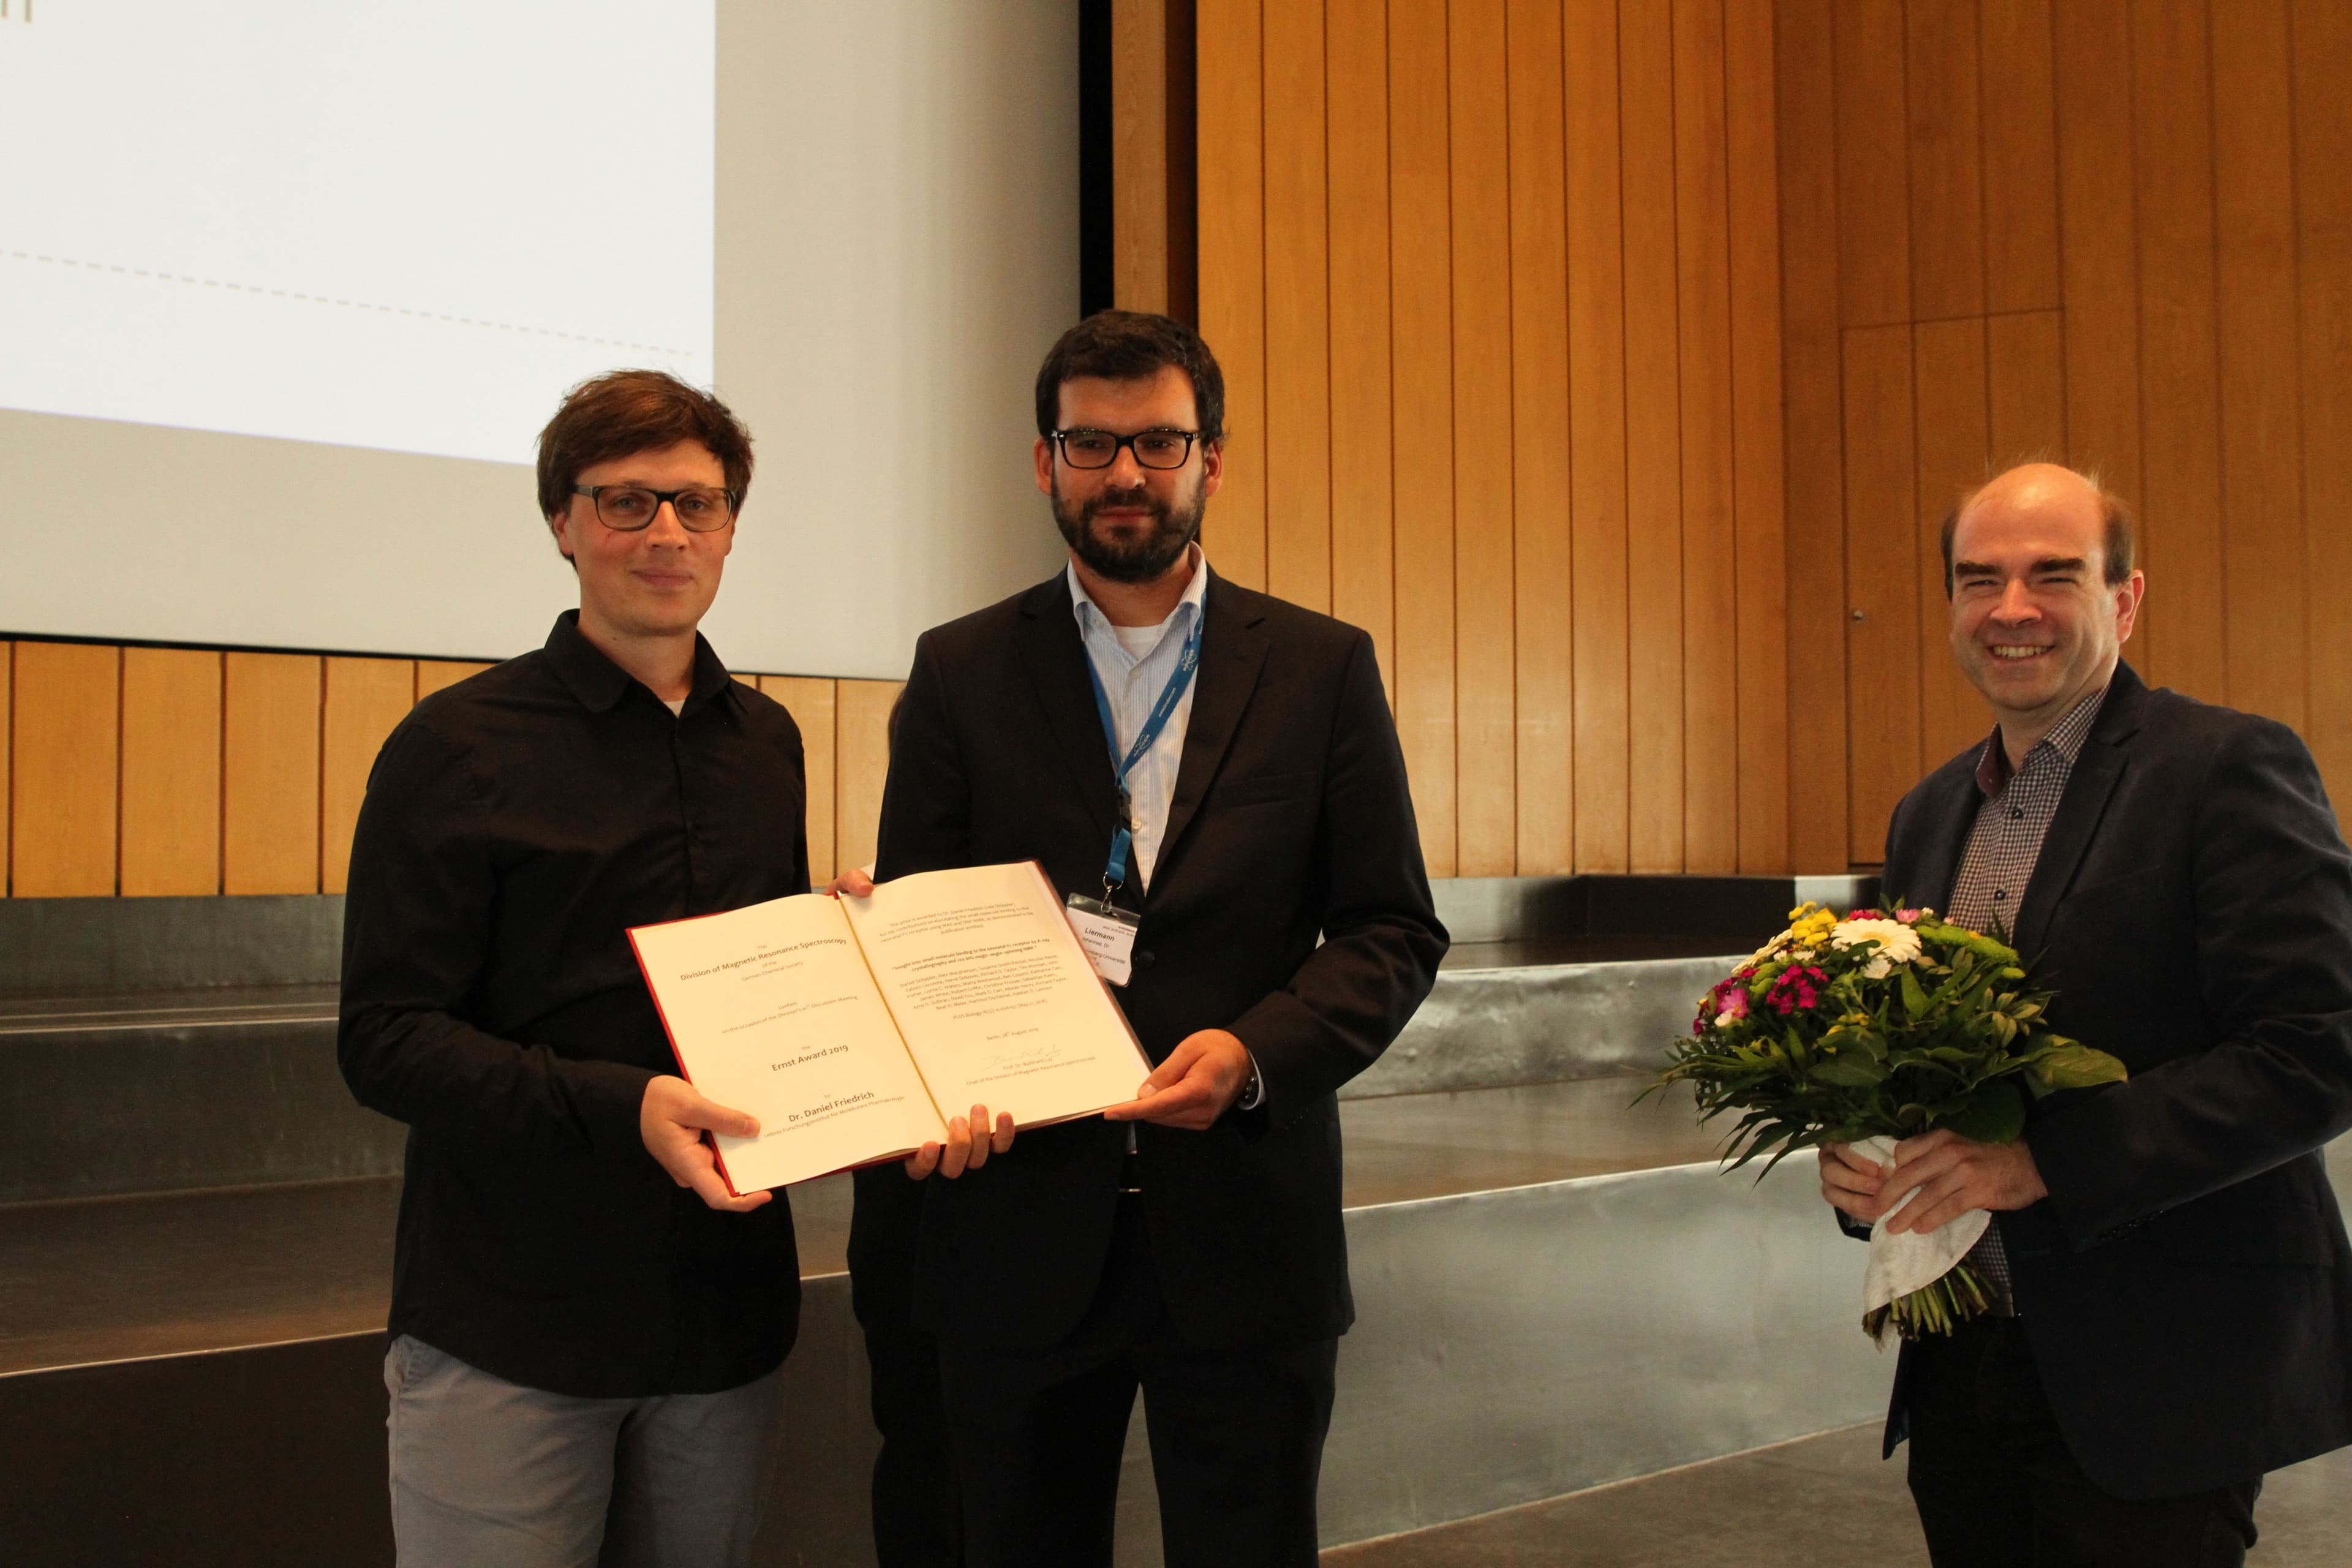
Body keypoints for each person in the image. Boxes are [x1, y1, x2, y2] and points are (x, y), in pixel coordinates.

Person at [834, 309, 1447, 1567]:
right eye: (1091, 443)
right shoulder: (959, 670)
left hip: (1243, 1227)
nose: (1125, 473)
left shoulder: (1322, 667)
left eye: (1158, 442)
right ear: (1044, 462)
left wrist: (1257, 1052)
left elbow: (1391, 925)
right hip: (1014, 1229)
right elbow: (923, 920)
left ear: (1210, 459)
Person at [1816, 462, 2352, 1566]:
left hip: (2162, 1373)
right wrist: (1864, 1154)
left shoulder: (2224, 768)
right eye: (1981, 580)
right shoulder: (1928, 812)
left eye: (2053, 576)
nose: (2011, 610)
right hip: (1965, 1362)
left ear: (2125, 598)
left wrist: (2043, 1164)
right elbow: (1922, 1063)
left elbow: (2317, 1050)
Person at [340, 369, 810, 1567]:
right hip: (515, 1323)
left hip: (722, 1322)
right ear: (563, 521)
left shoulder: (767, 744)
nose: (667, 533)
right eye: (627, 501)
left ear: (731, 526)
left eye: (697, 503)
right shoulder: (455, 745)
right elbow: (387, 1038)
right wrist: (622, 1106)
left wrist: (853, 960)